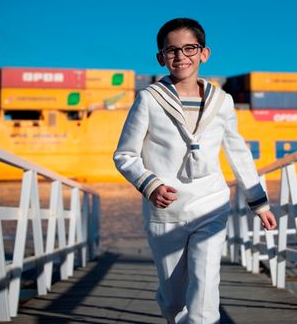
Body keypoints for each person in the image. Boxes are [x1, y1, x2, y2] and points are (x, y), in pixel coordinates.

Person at [113, 17, 277, 323]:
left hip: (211, 204)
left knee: (205, 288)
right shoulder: (148, 100)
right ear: (161, 58)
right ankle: (171, 309)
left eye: (190, 48)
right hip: (168, 210)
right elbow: (125, 154)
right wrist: (149, 185)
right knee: (174, 298)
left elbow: (238, 153)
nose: (181, 56)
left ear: (204, 53)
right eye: (172, 51)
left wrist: (259, 202)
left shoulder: (224, 102)